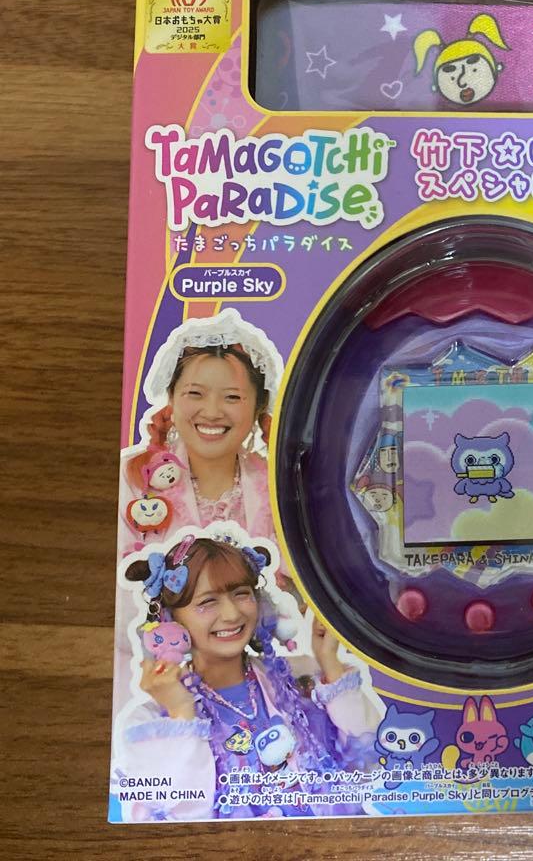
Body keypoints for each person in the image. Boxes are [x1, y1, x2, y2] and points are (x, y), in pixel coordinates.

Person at [114, 535, 382, 820]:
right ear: (169, 621)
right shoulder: (151, 723)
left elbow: (372, 761)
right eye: (207, 602)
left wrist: (330, 663)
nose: (232, 614)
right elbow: (182, 819)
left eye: (241, 593)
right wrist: (182, 714)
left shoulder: (302, 677)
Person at [120, 309, 283, 555]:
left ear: (258, 406)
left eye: (232, 397)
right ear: (172, 397)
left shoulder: (279, 488)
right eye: (195, 393)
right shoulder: (131, 478)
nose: (212, 412)